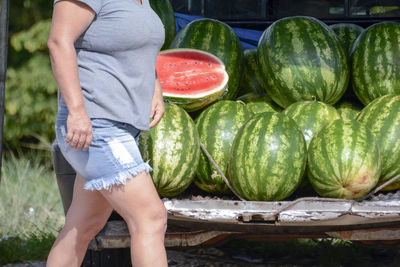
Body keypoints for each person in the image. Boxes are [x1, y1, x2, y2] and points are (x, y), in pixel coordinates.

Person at [46, 0, 168, 266]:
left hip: (121, 126)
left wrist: (155, 84)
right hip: (96, 124)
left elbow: (134, 44)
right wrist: (77, 111)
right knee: (150, 217)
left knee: (84, 225)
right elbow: (58, 42)